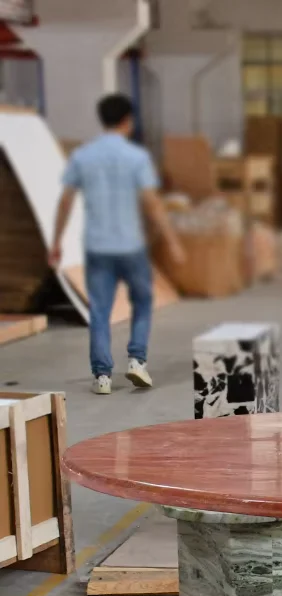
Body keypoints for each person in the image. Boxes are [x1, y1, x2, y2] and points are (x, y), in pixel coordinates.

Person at [49, 93, 184, 396]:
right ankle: (137, 360)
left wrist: (56, 242)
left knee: (99, 310)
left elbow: (65, 201)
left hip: (97, 246)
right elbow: (151, 203)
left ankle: (102, 377)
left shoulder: (83, 156)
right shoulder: (136, 157)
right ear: (128, 121)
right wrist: (172, 241)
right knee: (143, 302)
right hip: (130, 246)